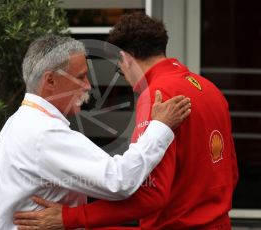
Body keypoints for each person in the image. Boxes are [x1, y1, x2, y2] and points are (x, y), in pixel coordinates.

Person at [13, 13, 239, 230]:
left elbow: (149, 196)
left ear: (125, 58)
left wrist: (70, 217)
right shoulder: (211, 90)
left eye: (119, 69)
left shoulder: (156, 95)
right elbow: (231, 172)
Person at [0, 35, 191, 229]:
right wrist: (160, 126)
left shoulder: (17, 123)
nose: (88, 85)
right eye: (81, 77)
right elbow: (120, 180)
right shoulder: (44, 134)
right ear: (50, 81)